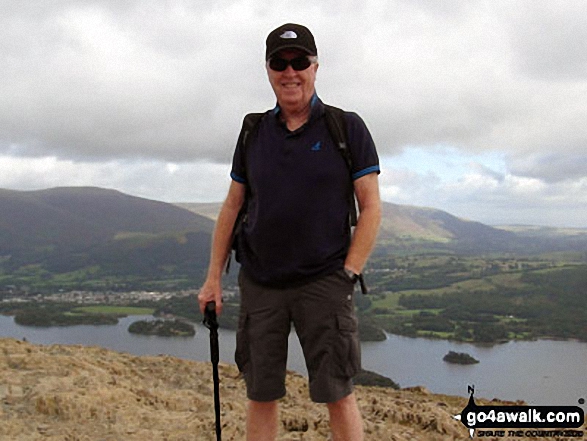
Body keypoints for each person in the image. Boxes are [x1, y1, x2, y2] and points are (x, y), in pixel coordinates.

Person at [198, 23, 381, 441]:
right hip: (261, 283)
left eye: (300, 62)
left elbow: (371, 207)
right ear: (268, 70)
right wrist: (213, 278)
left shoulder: (345, 127)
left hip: (325, 282)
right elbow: (232, 206)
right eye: (280, 63)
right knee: (261, 393)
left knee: (337, 392)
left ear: (316, 67)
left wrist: (348, 274)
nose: (290, 71)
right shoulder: (253, 132)